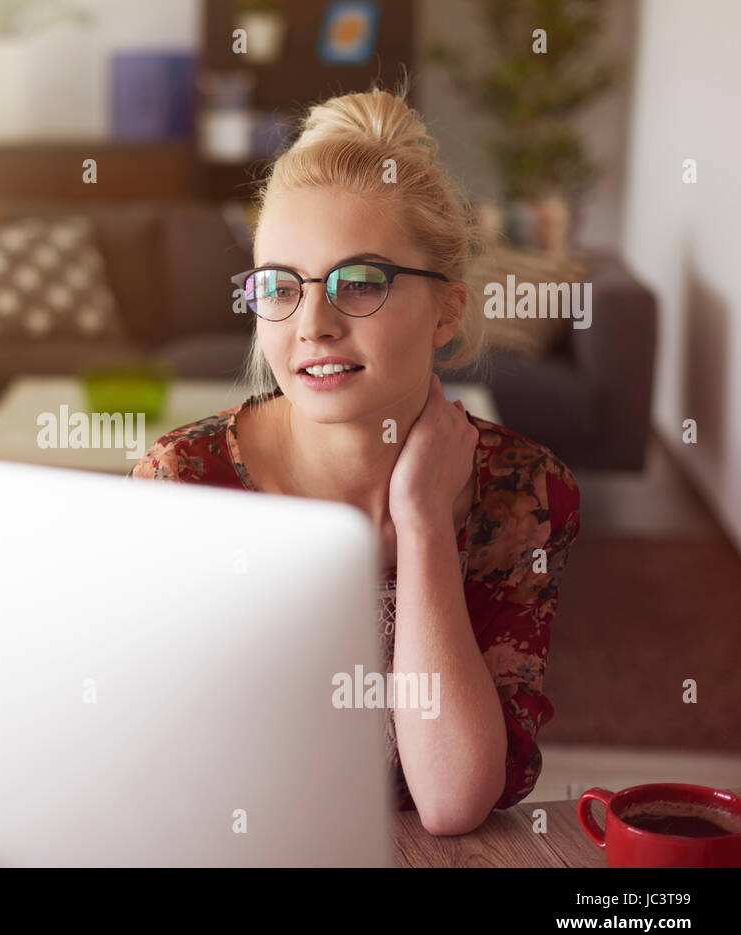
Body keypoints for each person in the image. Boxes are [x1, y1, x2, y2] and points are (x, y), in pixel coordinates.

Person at [129, 84, 581, 836]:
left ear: (447, 312)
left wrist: (425, 523)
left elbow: (452, 798)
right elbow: (163, 778)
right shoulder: (185, 484)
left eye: (361, 281)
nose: (313, 325)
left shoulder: (525, 494)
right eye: (280, 286)